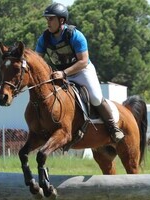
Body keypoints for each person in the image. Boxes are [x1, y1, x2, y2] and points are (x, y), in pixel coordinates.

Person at [35, 3, 124, 143]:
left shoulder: (75, 35)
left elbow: (83, 61)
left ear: (61, 21)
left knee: (95, 97)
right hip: (60, 73)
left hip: (82, 71)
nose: (48, 22)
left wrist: (64, 73)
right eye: (47, 19)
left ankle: (113, 127)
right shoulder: (44, 39)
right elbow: (37, 61)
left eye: (51, 19)